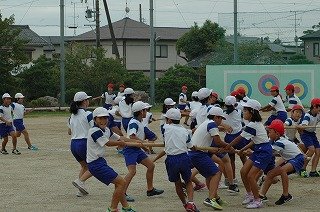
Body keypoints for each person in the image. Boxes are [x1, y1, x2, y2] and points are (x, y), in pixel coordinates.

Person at [86, 107, 136, 212]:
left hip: (100, 162)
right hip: (95, 164)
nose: (103, 120)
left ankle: (126, 207)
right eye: (100, 118)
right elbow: (108, 143)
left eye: (105, 118)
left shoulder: (107, 130)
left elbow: (120, 138)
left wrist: (138, 142)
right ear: (95, 120)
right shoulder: (94, 131)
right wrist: (120, 143)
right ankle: (112, 209)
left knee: (119, 183)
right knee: (121, 182)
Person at [226, 99, 274, 209]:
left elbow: (239, 138)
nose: (243, 113)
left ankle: (258, 201)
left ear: (252, 111)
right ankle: (250, 195)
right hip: (258, 149)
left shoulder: (253, 125)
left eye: (245, 110)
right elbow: (254, 141)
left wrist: (227, 146)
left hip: (264, 151)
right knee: (243, 171)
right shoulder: (254, 124)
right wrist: (242, 149)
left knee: (251, 176)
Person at [153, 108, 199, 212]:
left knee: (177, 183)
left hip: (171, 159)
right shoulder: (185, 131)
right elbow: (190, 146)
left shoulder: (165, 128)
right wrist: (194, 147)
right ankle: (191, 203)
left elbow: (166, 139)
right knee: (188, 181)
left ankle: (185, 204)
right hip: (183, 157)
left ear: (169, 120)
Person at [123, 101, 164, 202]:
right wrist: (143, 143)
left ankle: (150, 190)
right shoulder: (133, 122)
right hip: (130, 149)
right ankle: (122, 193)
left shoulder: (139, 122)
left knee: (151, 166)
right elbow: (132, 136)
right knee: (132, 172)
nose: (147, 111)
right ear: (141, 111)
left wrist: (144, 147)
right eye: (145, 110)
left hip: (137, 149)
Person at [189, 107, 227, 210]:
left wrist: (219, 148)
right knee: (216, 173)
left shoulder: (207, 123)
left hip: (197, 153)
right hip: (198, 153)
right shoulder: (212, 124)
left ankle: (215, 197)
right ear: (216, 117)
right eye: (221, 118)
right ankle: (210, 199)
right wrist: (229, 146)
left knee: (210, 176)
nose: (221, 121)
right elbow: (218, 141)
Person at [259, 119, 304, 205]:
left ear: (276, 133)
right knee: (270, 174)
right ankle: (261, 195)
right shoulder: (277, 139)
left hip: (297, 158)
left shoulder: (280, 142)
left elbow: (268, 152)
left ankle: (285, 195)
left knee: (282, 170)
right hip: (290, 159)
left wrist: (252, 152)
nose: (268, 133)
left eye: (270, 131)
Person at [69, 91, 94, 197]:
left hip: (73, 144)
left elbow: (69, 131)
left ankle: (80, 189)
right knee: (94, 167)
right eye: (87, 100)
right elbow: (94, 129)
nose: (88, 102)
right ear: (84, 101)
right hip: (83, 143)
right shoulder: (88, 114)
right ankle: (80, 182)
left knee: (84, 167)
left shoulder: (72, 115)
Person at [223, 96, 249, 186]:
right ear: (234, 104)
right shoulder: (238, 111)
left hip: (228, 138)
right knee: (243, 157)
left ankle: (233, 179)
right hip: (239, 137)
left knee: (231, 160)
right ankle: (248, 176)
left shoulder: (223, 114)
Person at [297, 98, 320, 177]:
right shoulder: (307, 115)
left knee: (318, 151)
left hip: (312, 134)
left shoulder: (318, 114)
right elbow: (303, 126)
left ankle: (313, 171)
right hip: (305, 134)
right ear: (314, 106)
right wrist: (301, 127)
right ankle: (302, 168)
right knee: (312, 149)